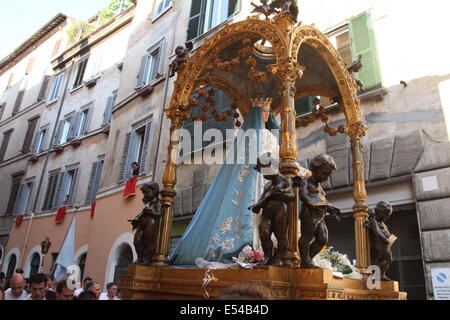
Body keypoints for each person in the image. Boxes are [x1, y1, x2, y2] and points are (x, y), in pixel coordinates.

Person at [170, 98, 280, 265]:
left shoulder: (270, 136)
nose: (265, 116)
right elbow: (242, 158)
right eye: (262, 111)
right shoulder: (249, 135)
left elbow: (276, 158)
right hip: (252, 177)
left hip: (266, 179)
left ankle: (269, 250)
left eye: (267, 112)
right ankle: (251, 250)